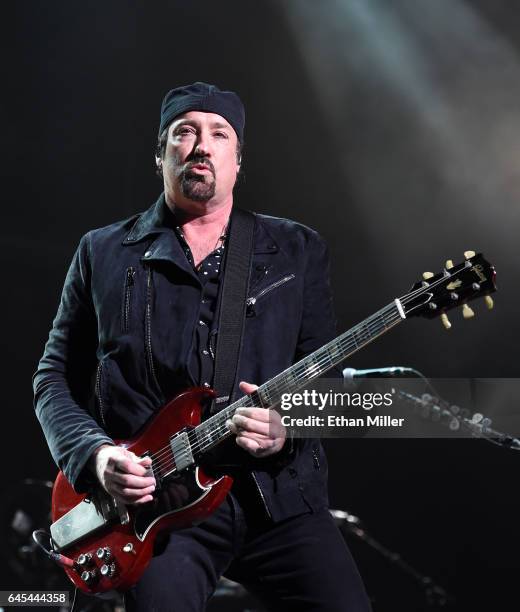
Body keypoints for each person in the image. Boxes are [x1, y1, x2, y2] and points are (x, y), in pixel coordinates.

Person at [34, 82, 370, 611]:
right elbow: (52, 377)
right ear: (161, 154)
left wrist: (288, 427)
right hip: (160, 512)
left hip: (277, 500)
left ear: (237, 160)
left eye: (219, 134)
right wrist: (95, 456)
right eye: (184, 132)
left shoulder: (296, 250)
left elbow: (322, 386)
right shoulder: (102, 252)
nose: (200, 145)